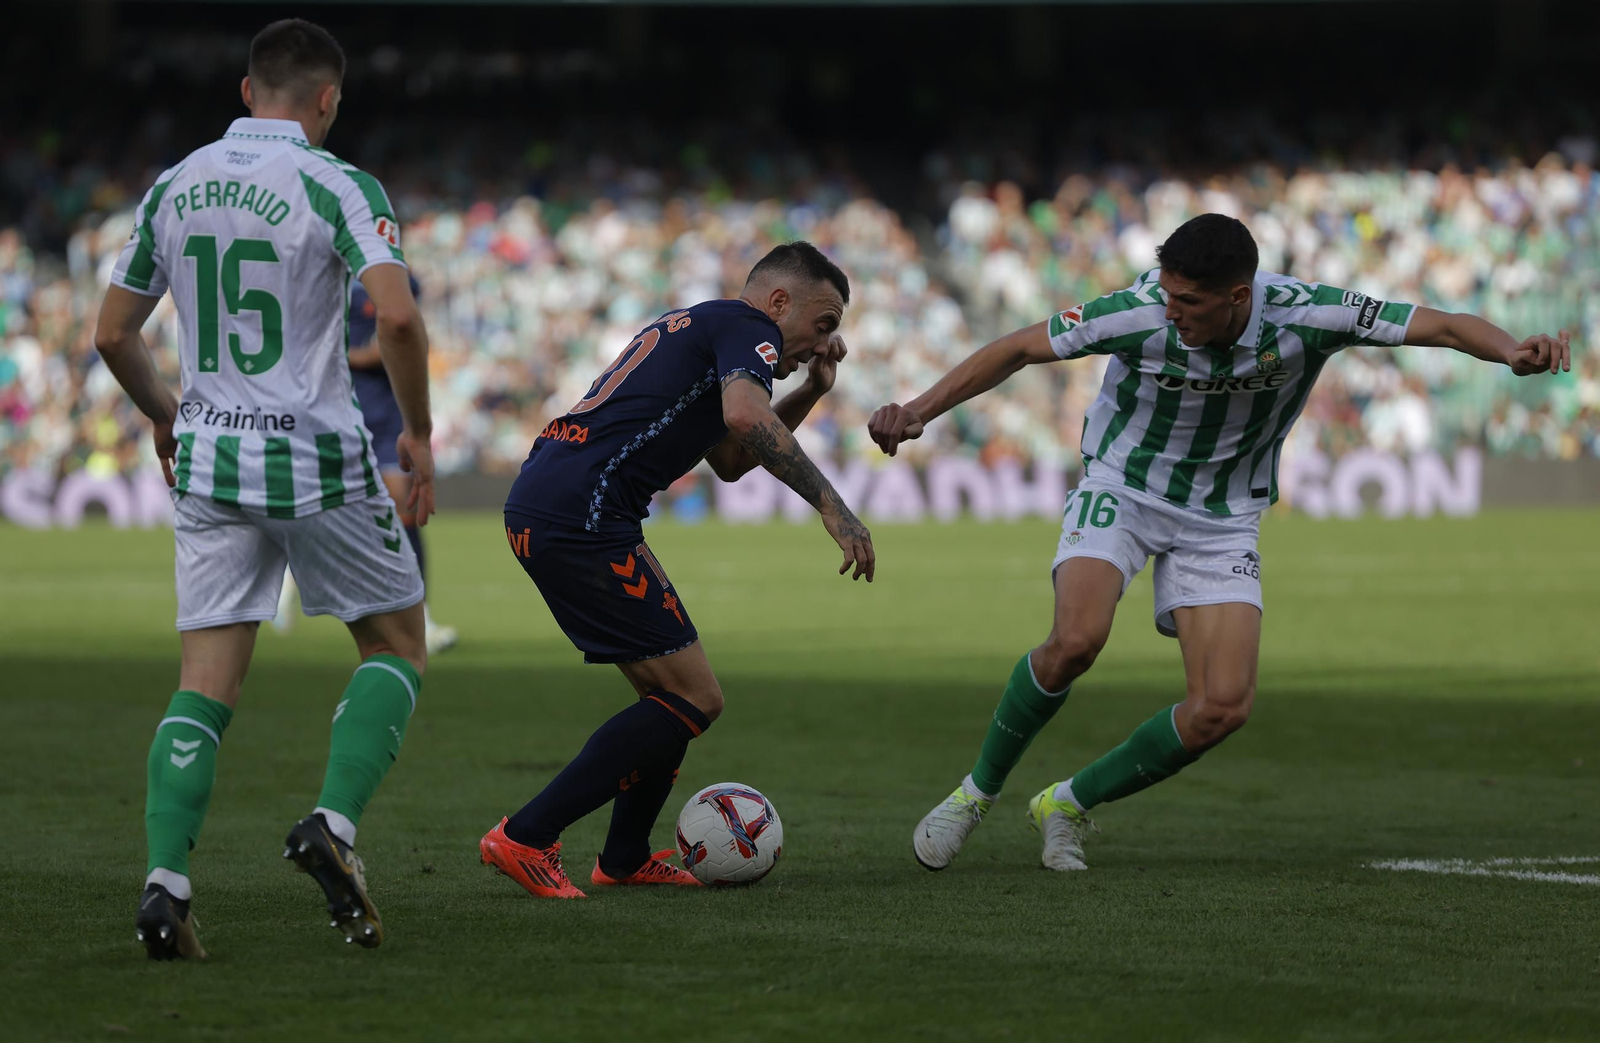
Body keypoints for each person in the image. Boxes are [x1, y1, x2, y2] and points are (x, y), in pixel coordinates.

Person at [868, 213, 1572, 873]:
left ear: (1240, 296)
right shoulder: (1139, 312)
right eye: (1167, 293)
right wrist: (920, 410)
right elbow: (1020, 347)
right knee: (1077, 639)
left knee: (1222, 706)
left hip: (1224, 514)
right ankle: (973, 794)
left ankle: (1067, 803)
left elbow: (1442, 326)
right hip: (1125, 485)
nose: (1171, 311)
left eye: (1189, 302)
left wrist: (1511, 348)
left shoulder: (1306, 312)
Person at [94, 18, 436, 958]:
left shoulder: (174, 185)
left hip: (208, 459)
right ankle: (334, 823)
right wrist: (417, 432)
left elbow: (112, 333)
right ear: (326, 100)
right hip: (315, 456)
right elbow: (397, 319)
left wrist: (165, 415)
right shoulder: (338, 183)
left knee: (203, 684)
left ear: (248, 92)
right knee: (396, 642)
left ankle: (166, 882)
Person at [481, 241, 873, 898]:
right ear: (780, 301)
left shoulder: (707, 325)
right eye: (824, 323)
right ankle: (526, 833)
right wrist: (833, 507)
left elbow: (730, 456)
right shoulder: (750, 328)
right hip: (584, 511)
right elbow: (746, 416)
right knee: (697, 697)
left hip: (560, 502)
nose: (823, 342)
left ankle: (625, 856)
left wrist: (810, 388)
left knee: (669, 698)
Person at [274, 274, 458, 654]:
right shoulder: (323, 271)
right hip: (336, 413)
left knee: (403, 511)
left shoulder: (399, 277)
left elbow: (398, 335)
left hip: (388, 416)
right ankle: (285, 587)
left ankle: (420, 613)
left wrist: (342, 353)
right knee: (316, 509)